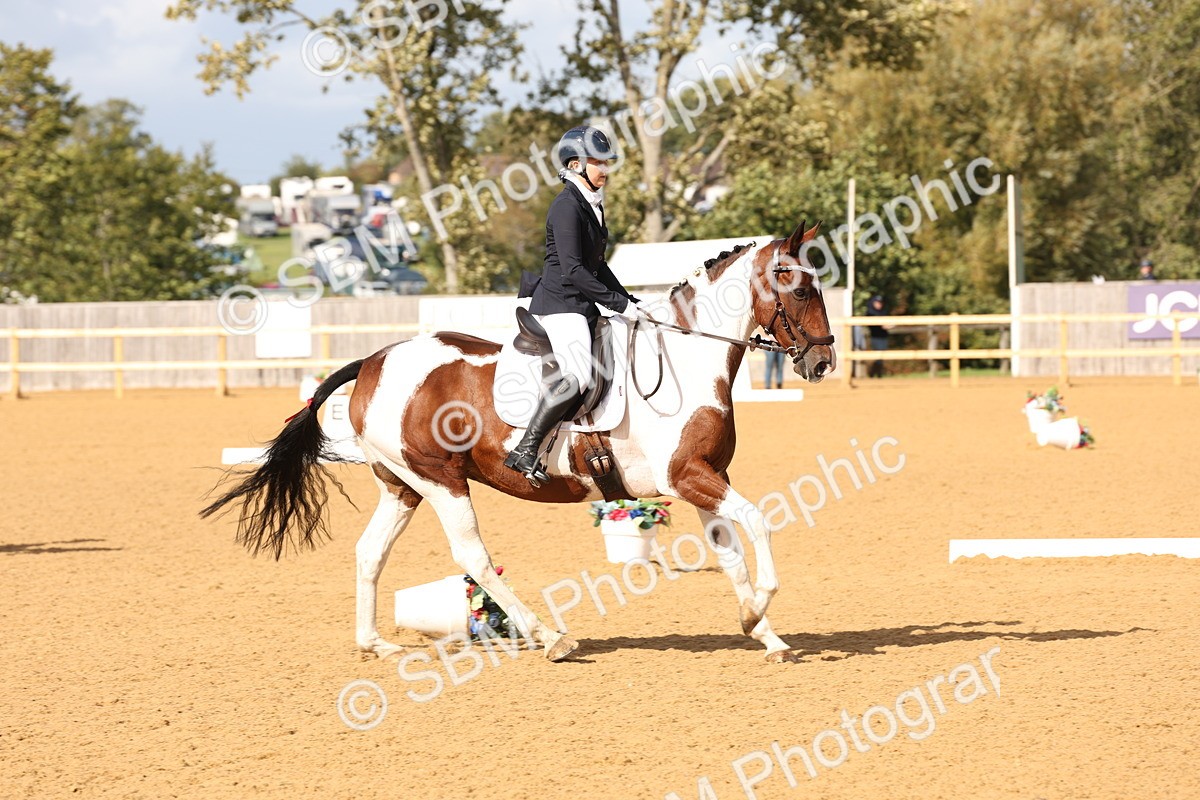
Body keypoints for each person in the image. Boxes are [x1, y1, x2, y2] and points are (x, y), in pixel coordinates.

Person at [504, 125, 648, 486]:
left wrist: (629, 300)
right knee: (580, 373)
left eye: (606, 162)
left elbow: (598, 265)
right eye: (599, 162)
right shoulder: (567, 206)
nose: (605, 169)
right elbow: (573, 269)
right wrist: (617, 303)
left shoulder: (591, 204)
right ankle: (526, 448)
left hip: (581, 303)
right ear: (575, 164)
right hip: (560, 304)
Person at [866, 294, 889, 379]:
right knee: (878, 356)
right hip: (875, 337)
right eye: (877, 302)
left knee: (882, 356)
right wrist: (881, 325)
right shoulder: (870, 313)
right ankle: (874, 373)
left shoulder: (884, 312)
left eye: (880, 303)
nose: (879, 304)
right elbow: (870, 325)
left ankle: (877, 373)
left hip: (884, 336)